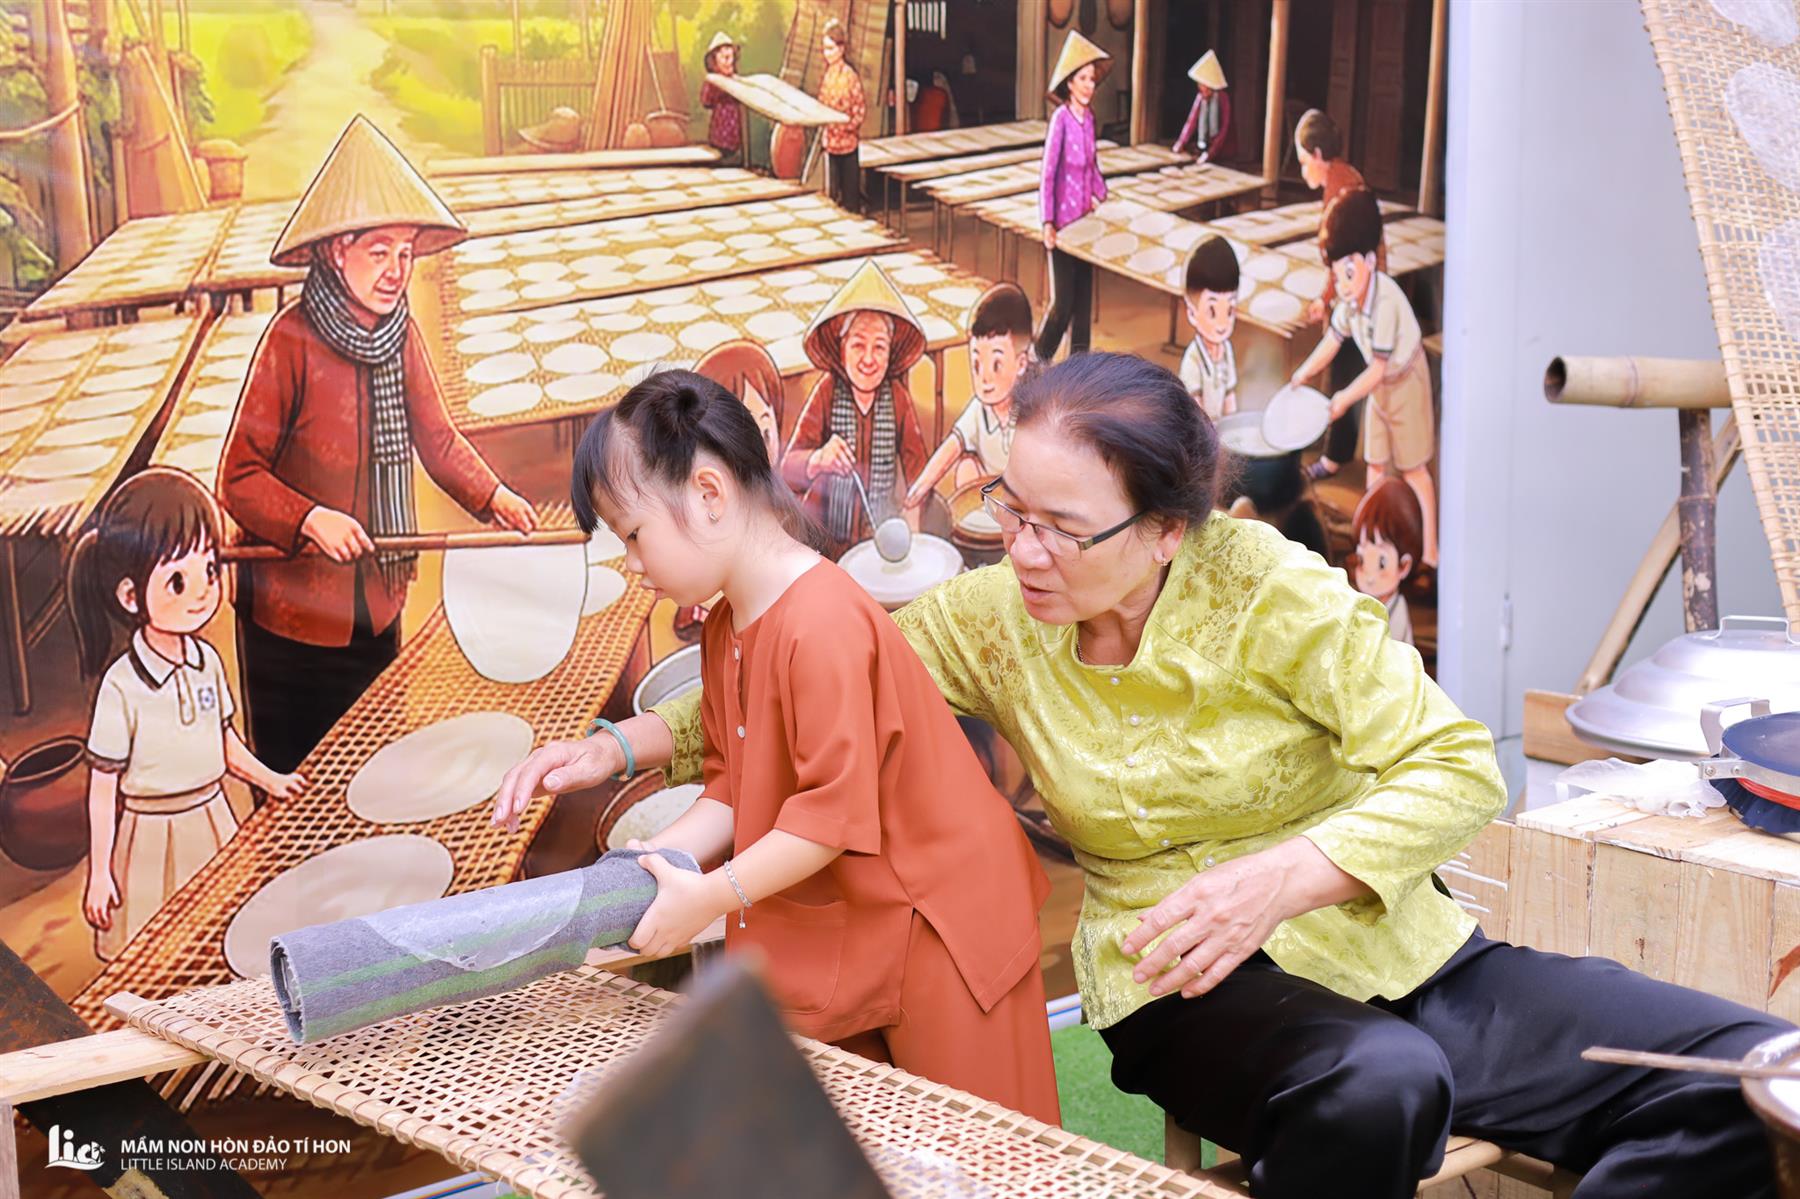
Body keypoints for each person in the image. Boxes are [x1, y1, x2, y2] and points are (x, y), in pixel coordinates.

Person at [498, 350, 1788, 1199]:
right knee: (1385, 1084)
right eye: (1011, 510)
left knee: (1751, 1075)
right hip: (1182, 974)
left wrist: (1285, 877)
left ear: (1169, 528)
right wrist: (625, 743)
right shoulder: (995, 616)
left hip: (1391, 941)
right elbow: (817, 694)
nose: (1022, 549)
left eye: (1061, 527)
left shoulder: (1270, 588)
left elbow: (1456, 764)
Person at [538, 368, 1060, 1125]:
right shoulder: (728, 623)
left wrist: (709, 895)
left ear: (709, 493)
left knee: (988, 1151)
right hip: (861, 915)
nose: (633, 562)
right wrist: (651, 868)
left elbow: (826, 819)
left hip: (945, 921)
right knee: (878, 1151)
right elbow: (732, 786)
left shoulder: (820, 622)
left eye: (634, 534)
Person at [220, 116, 538, 774]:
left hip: (376, 597)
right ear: (337, 253)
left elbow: (438, 439)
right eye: (378, 252)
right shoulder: (290, 342)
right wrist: (310, 519)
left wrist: (495, 496)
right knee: (301, 774)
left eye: (405, 254)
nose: (396, 272)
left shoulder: (401, 338)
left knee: (376, 759)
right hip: (293, 617)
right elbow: (240, 478)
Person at [70, 468, 304, 962]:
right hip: (151, 838)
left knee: (228, 941)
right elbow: (103, 786)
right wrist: (100, 871)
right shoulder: (121, 685)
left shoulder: (207, 662)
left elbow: (224, 741)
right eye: (178, 580)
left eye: (210, 570)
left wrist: (270, 780)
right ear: (130, 596)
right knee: (160, 957)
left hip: (213, 819)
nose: (202, 591)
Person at [1290, 188, 1438, 568]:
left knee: (1414, 469)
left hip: (1405, 381)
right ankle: (1369, 538)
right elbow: (1332, 341)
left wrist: (1343, 399)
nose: (1341, 283)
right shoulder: (1350, 300)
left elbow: (1378, 369)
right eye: (1336, 274)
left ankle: (1430, 553)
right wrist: (1303, 373)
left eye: (1349, 272)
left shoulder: (1385, 300)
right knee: (1375, 462)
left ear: (1370, 261)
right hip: (1380, 387)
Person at [779, 260, 929, 560]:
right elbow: (786, 470)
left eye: (879, 347)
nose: (869, 359)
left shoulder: (897, 397)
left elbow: (918, 470)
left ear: (890, 353)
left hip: (880, 542)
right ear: (842, 348)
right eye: (859, 345)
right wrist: (818, 459)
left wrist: (912, 518)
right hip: (827, 544)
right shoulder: (826, 392)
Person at [1293, 107, 1389, 483]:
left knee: (1343, 373)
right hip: (1357, 288)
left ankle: (1333, 457)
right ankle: (1329, 440)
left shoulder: (1341, 190)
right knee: (1338, 367)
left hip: (1360, 292)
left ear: (1318, 155)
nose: (1302, 171)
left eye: (1304, 162)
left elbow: (1341, 256)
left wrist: (1326, 298)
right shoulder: (1342, 176)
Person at [905, 282, 1033, 510]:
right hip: (989, 501)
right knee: (966, 467)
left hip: (1025, 504)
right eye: (976, 365)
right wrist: (916, 494)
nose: (984, 379)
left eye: (996, 365)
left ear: (1021, 363)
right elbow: (950, 448)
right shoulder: (979, 410)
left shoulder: (1035, 409)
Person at [1035, 30, 1110, 362]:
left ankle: (1078, 369)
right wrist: (1048, 221)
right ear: (1070, 83)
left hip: (1085, 222)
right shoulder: (1060, 121)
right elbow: (1048, 173)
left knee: (1083, 305)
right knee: (1063, 303)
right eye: (1082, 78)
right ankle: (1038, 360)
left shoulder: (1089, 120)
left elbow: (1092, 167)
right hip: (1063, 224)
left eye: (1092, 79)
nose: (1089, 85)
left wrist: (1104, 196)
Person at [1349, 477, 1421, 647]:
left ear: (1404, 566)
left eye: (1381, 564)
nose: (1369, 577)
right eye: (1361, 560)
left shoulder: (1397, 614)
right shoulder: (1366, 604)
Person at [1178, 235, 1239, 423]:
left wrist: (1233, 426)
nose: (1222, 324)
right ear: (1192, 313)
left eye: (1229, 311)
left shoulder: (1226, 349)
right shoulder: (1193, 359)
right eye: (1212, 312)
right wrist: (1211, 434)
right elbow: (1195, 411)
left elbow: (1229, 396)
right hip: (1198, 430)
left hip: (1219, 429)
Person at [817, 19, 866, 215]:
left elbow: (860, 110)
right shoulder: (827, 75)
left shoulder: (850, 76)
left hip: (847, 145)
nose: (827, 53)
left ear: (841, 48)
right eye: (825, 49)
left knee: (850, 199)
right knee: (832, 199)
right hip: (831, 144)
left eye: (831, 49)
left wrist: (845, 128)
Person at [1172, 50, 1232, 162]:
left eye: (1202, 84)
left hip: (1224, 149)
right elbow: (1191, 121)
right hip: (1206, 146)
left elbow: (1224, 128)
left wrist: (1211, 152)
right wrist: (1181, 142)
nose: (1200, 87)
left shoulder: (1223, 98)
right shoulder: (1201, 97)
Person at [699, 32, 746, 166]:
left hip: (735, 134)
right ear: (714, 60)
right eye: (722, 55)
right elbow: (706, 101)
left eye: (729, 56)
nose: (727, 60)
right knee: (721, 157)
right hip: (720, 135)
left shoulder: (736, 80)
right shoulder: (713, 80)